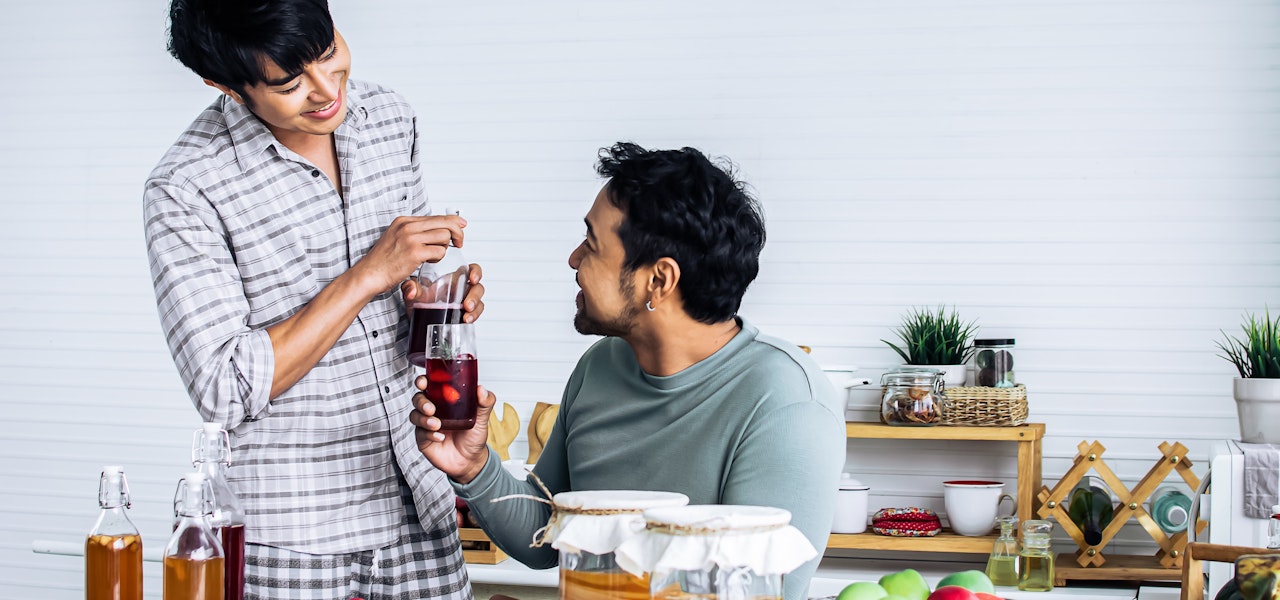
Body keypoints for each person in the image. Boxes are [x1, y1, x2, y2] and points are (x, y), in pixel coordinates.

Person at [144, 1, 482, 597]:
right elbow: (224, 386)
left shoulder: (388, 119)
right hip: (296, 536)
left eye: (328, 52)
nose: (327, 89)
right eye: (289, 82)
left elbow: (399, 298)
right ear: (224, 84)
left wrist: (436, 303)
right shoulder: (186, 187)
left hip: (420, 508)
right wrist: (367, 275)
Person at [413, 142, 846, 600]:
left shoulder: (786, 403)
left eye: (593, 244)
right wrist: (474, 467)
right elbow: (550, 534)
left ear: (658, 280)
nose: (574, 259)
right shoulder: (600, 366)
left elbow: (755, 592)